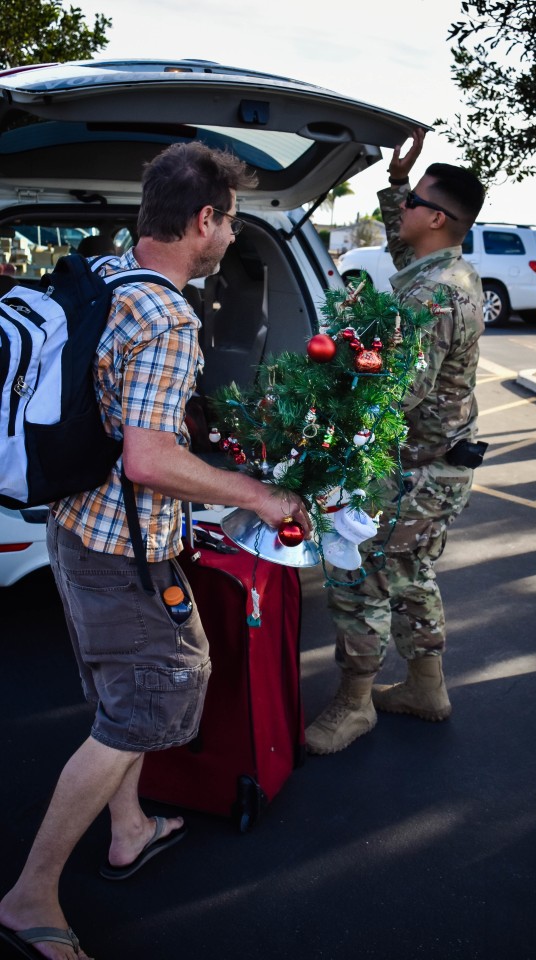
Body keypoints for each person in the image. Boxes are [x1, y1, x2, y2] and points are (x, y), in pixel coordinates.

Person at [0, 141, 310, 960]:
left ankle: (130, 827)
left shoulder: (105, 275)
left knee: (121, 695)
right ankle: (30, 895)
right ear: (204, 220)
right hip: (121, 549)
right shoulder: (169, 317)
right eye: (232, 221)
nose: (233, 236)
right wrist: (259, 494)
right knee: (154, 697)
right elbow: (147, 459)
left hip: (75, 526)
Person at [305, 128, 486, 755]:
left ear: (436, 219)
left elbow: (394, 397)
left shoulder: (437, 294)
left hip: (414, 470)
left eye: (413, 206)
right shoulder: (439, 269)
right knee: (411, 571)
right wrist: (397, 184)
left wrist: (323, 426)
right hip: (435, 465)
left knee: (363, 575)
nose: (402, 214)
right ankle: (426, 689)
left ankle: (354, 703)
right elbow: (403, 245)